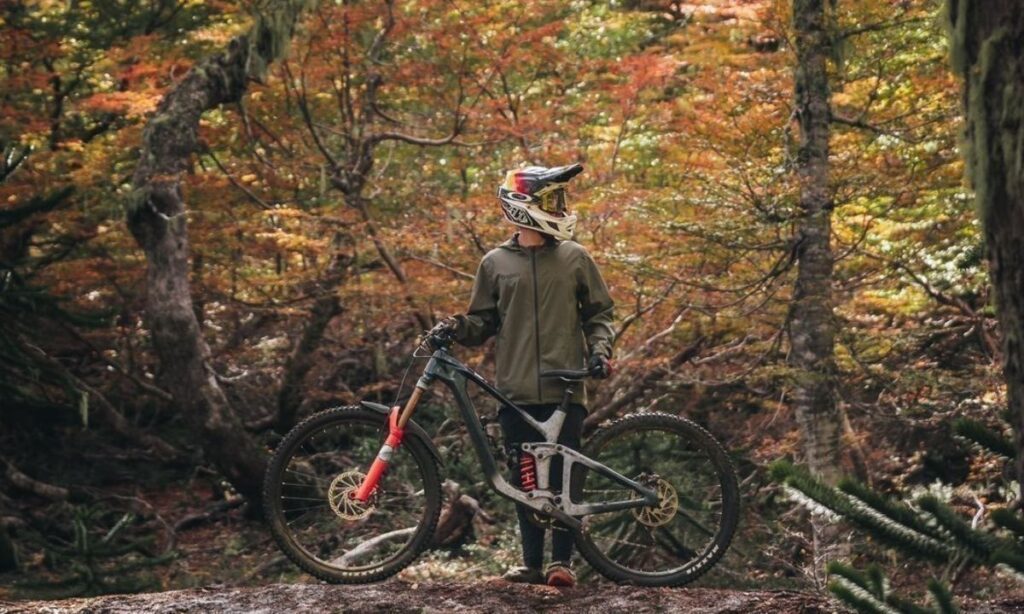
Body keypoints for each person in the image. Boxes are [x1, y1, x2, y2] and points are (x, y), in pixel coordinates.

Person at [437, 163, 615, 587]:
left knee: (564, 476)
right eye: (550, 200)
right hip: (513, 389)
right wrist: (458, 327)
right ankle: (533, 565)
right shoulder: (494, 263)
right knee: (525, 478)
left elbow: (600, 314)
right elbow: (482, 323)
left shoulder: (574, 257)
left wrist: (601, 351)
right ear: (522, 206)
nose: (559, 208)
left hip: (566, 384)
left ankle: (562, 565)